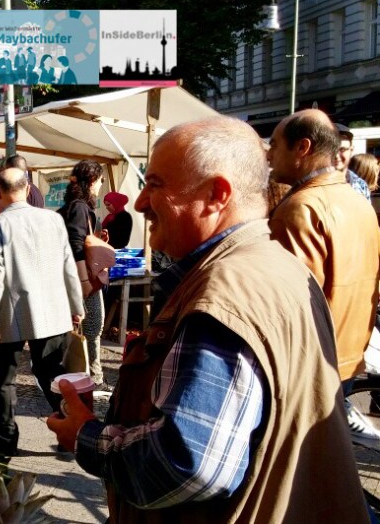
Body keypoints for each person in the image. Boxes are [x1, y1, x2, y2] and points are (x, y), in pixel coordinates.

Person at [48, 116, 368, 523]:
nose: (142, 202)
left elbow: (186, 462)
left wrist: (86, 436)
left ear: (217, 194)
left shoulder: (226, 291)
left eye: (156, 184)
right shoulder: (273, 263)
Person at [266, 109, 380, 448]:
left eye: (275, 144)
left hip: (307, 370)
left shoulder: (301, 207)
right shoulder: (354, 199)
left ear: (302, 148)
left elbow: (290, 308)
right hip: (345, 358)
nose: (269, 154)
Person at [0, 167, 85, 457]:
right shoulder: (53, 219)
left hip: (10, 313)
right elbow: (68, 265)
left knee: (5, 379)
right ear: (28, 189)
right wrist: (76, 306)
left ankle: (5, 439)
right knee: (52, 372)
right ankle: (70, 429)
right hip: (52, 311)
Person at [57, 160, 109, 390]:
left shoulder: (74, 206)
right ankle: (93, 379)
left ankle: (87, 375)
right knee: (92, 327)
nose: (101, 184)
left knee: (85, 328)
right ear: (91, 181)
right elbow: (76, 243)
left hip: (75, 276)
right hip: (83, 277)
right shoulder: (79, 207)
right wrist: (84, 280)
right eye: (100, 180)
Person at [336, 123, 371, 199]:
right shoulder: (312, 184)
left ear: (351, 150)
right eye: (331, 150)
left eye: (342, 149)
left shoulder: (361, 185)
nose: (336, 155)